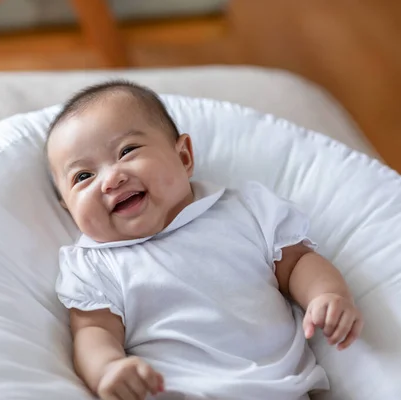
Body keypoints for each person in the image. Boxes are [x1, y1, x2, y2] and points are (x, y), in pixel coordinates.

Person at [46, 80, 363, 400]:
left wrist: (326, 295)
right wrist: (108, 368)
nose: (111, 179)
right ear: (68, 208)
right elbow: (93, 331)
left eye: (127, 151)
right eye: (83, 176)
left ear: (183, 157)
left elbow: (297, 264)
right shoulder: (96, 263)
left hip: (284, 389)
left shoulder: (244, 210)